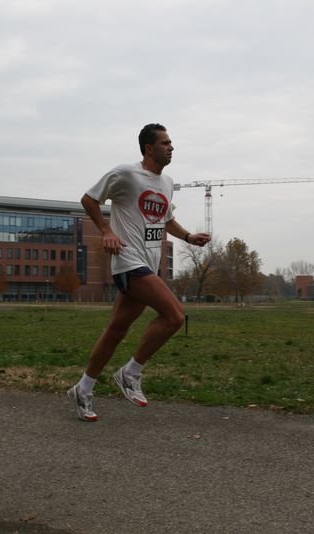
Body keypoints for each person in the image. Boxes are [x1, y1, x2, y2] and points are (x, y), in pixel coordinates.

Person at [67, 123, 211, 422]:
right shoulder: (126, 174)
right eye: (165, 143)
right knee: (175, 315)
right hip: (128, 260)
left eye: (172, 142)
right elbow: (89, 199)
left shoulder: (167, 182)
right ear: (149, 148)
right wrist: (106, 230)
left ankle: (83, 388)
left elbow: (166, 219)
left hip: (148, 261)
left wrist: (187, 238)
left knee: (116, 331)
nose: (171, 147)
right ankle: (130, 373)